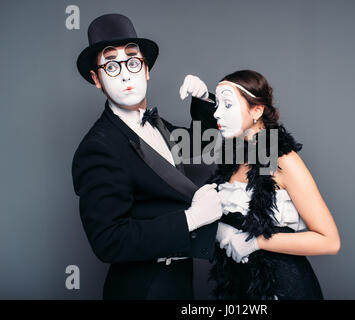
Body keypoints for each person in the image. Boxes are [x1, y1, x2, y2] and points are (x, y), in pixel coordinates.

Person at [71, 13, 221, 299]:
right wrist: (192, 218)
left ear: (146, 69)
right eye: (111, 65)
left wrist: (204, 101)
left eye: (132, 61)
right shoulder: (98, 147)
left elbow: (205, 145)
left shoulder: (158, 125)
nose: (125, 73)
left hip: (179, 285)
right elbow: (108, 241)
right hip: (141, 290)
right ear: (96, 79)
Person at [199, 70, 341, 299]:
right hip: (241, 291)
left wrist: (257, 242)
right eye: (217, 105)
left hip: (283, 290)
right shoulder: (234, 159)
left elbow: (329, 241)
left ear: (257, 110)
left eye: (227, 105)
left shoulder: (284, 160)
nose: (217, 113)